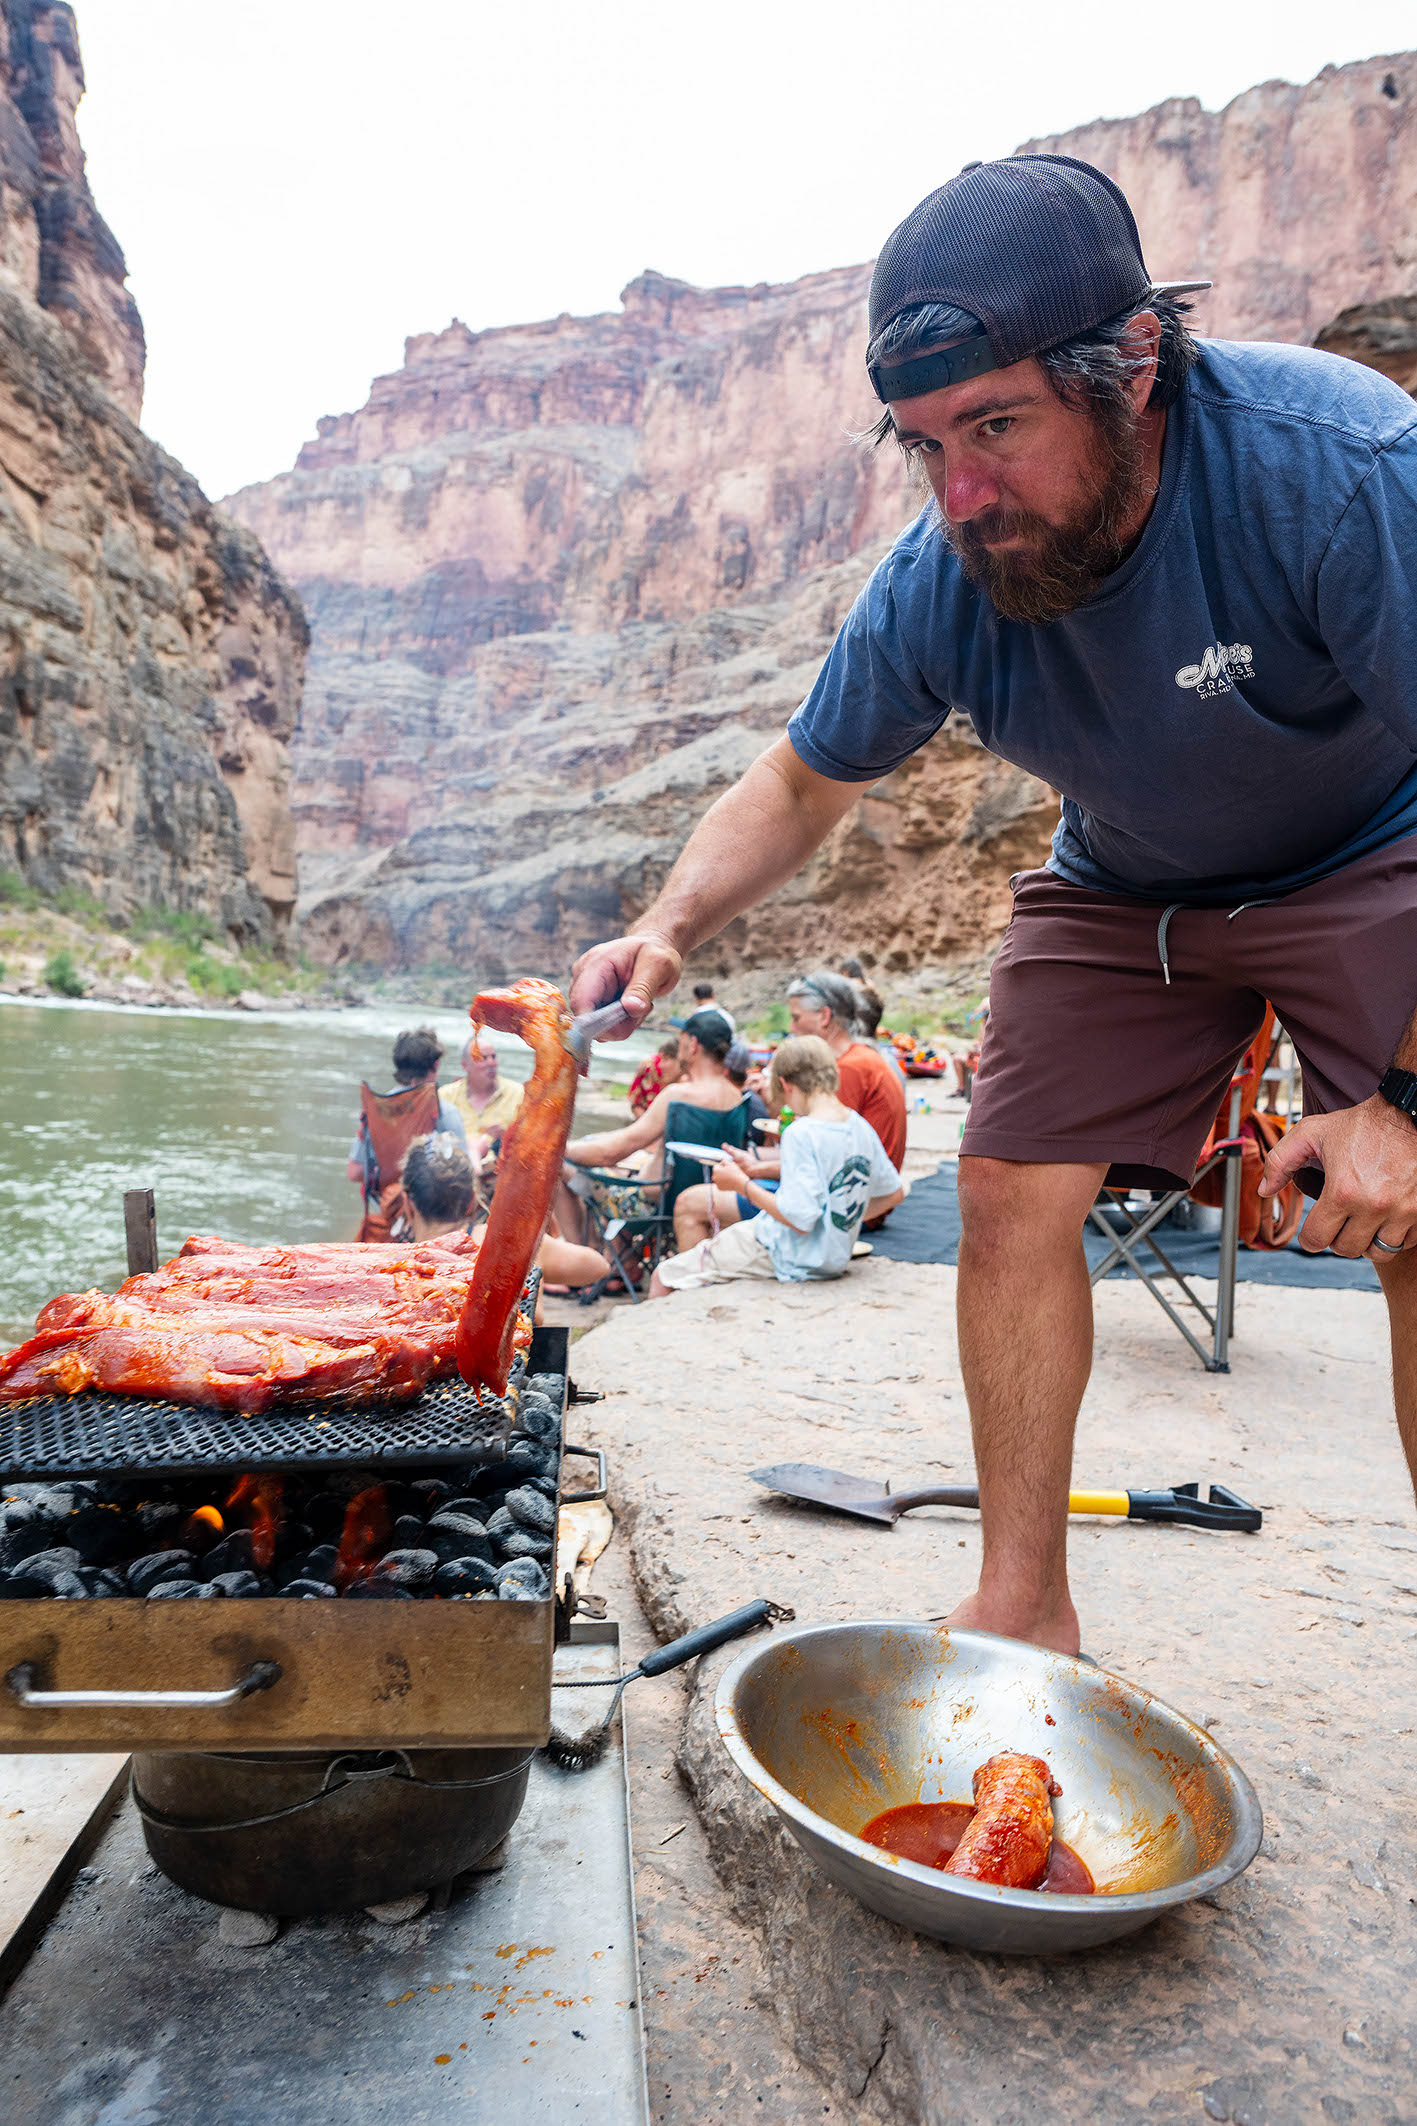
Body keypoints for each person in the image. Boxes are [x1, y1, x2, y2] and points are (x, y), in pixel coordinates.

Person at [569, 152, 1417, 1658]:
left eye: (998, 426)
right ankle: (1023, 1603)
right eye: (922, 446)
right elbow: (798, 785)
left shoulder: (1339, 469)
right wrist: (670, 927)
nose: (960, 491)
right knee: (1015, 1188)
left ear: (1135, 365)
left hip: (1377, 844)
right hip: (1129, 878)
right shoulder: (941, 574)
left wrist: (1406, 1096)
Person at [651, 1037, 902, 1293]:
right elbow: (894, 1193)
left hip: (787, 1254)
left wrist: (742, 1184)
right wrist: (838, 1222)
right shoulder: (858, 1125)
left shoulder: (801, 1132)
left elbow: (799, 1217)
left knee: (663, 1275)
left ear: (785, 1084)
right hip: (832, 1258)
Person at [555, 1008, 742, 1244]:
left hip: (651, 1207)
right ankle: (621, 1265)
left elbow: (610, 1153)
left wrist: (558, 1147)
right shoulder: (737, 1098)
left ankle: (587, 1260)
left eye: (682, 1038)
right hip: (707, 1202)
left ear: (693, 1044)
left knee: (558, 1165)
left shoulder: (678, 1095)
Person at [401, 1135, 609, 1291]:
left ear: (407, 1205)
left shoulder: (393, 1266)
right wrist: (534, 1257)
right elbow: (598, 1267)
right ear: (472, 1202)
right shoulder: (504, 1242)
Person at [347, 1025, 467, 1241]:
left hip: (387, 1224)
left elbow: (354, 1172)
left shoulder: (376, 1110)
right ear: (436, 1065)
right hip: (431, 1230)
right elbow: (464, 1181)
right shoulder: (444, 1111)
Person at [787, 971, 908, 1172]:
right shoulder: (861, 1056)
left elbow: (824, 1156)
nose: (791, 1028)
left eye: (796, 1018)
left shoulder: (850, 1067)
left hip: (859, 1195)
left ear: (824, 1016)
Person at [441, 1033, 523, 1162]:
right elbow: (434, 1141)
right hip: (458, 1171)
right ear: (465, 1066)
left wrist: (508, 1136)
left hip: (501, 1169)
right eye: (482, 1058)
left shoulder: (519, 1093)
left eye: (493, 1057)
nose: (491, 1063)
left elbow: (532, 1140)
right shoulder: (445, 1096)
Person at [628, 1030, 682, 1117]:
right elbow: (635, 1103)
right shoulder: (648, 1068)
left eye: (666, 1059)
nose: (661, 1065)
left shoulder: (694, 1078)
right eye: (662, 1059)